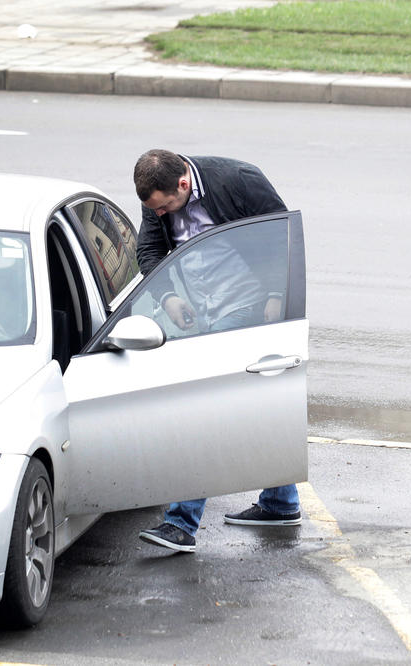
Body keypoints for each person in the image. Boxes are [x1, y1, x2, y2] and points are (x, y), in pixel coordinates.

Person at [133, 148, 301, 554]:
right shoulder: (156, 200)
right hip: (204, 311)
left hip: (249, 305)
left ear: (184, 184)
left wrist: (277, 296)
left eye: (166, 206)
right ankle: (281, 502)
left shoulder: (239, 179)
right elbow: (149, 252)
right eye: (153, 210)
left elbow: (282, 237)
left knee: (204, 411)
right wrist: (170, 297)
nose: (160, 215)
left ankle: (180, 523)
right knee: (255, 406)